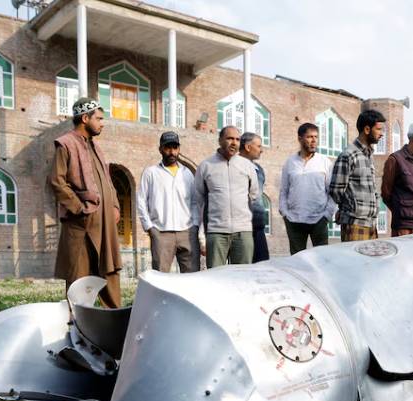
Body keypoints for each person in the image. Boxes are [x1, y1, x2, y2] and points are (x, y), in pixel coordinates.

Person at [50, 97, 122, 307]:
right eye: (98, 118)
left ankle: (114, 322)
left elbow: (107, 181)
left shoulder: (96, 148)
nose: (102, 123)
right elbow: (57, 181)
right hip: (80, 224)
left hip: (105, 224)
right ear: (84, 118)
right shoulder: (65, 144)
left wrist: (115, 205)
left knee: (109, 271)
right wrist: (79, 208)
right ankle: (79, 327)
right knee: (79, 277)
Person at [193, 126, 259, 268]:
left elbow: (253, 194)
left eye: (237, 139)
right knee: (216, 279)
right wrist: (201, 235)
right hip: (216, 232)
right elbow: (198, 201)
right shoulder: (206, 166)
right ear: (220, 140)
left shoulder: (247, 166)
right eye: (229, 138)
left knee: (243, 277)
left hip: (243, 232)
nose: (234, 142)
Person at [135, 131, 196, 273]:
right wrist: (149, 227)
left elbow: (194, 202)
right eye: (167, 148)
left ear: (179, 149)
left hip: (186, 232)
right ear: (160, 149)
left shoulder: (187, 174)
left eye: (175, 148)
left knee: (192, 276)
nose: (171, 152)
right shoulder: (151, 173)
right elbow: (141, 200)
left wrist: (195, 225)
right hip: (161, 232)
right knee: (161, 277)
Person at [329, 109, 386, 241]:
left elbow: (371, 189)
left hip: (371, 224)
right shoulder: (348, 155)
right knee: (354, 262)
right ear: (367, 129)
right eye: (378, 129)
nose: (381, 134)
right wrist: (350, 208)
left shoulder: (369, 156)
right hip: (354, 224)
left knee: (373, 262)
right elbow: (336, 190)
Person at [278, 122, 334, 254]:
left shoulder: (325, 162)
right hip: (294, 220)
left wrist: (327, 215)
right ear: (300, 138)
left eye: (316, 137)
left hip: (319, 219)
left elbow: (332, 192)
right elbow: (284, 190)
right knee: (297, 261)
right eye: (309, 137)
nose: (314, 141)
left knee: (323, 259)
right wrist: (284, 212)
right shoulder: (290, 162)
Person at [239, 132, 269, 263]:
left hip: (258, 225)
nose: (262, 150)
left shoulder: (259, 169)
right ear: (247, 147)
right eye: (259, 146)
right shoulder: (235, 165)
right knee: (243, 265)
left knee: (262, 263)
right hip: (241, 226)